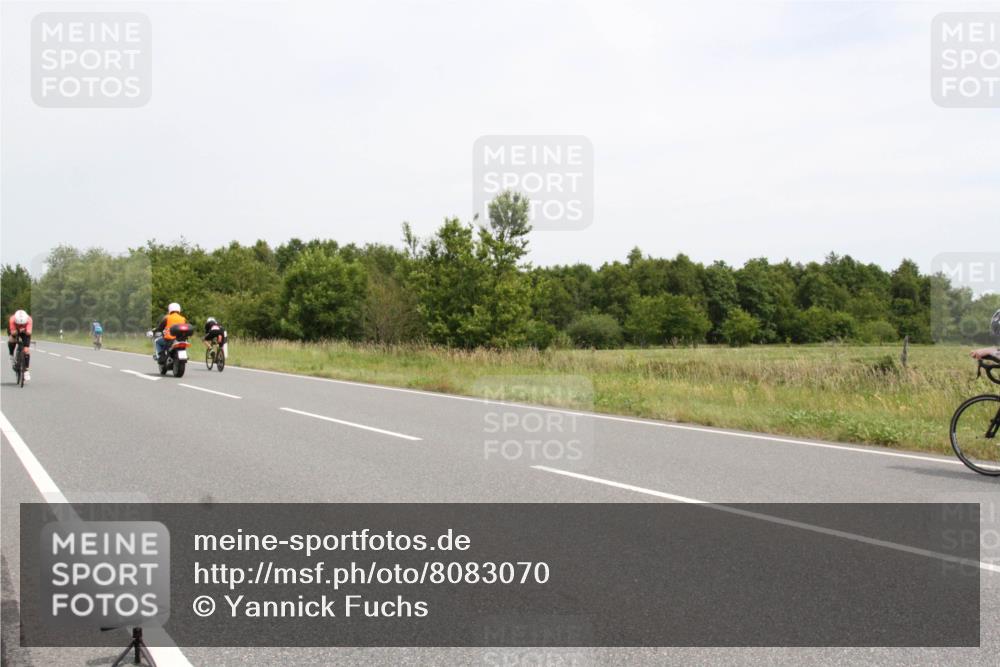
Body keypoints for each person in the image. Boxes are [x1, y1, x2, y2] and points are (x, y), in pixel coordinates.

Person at [7, 309, 32, 382]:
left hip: (25, 331)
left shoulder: (29, 320)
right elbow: (13, 333)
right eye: (19, 324)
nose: (20, 325)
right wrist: (18, 330)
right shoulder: (12, 319)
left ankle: (26, 370)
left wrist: (24, 330)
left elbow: (29, 333)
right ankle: (11, 355)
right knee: (11, 340)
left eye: (22, 324)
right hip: (14, 330)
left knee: (26, 350)